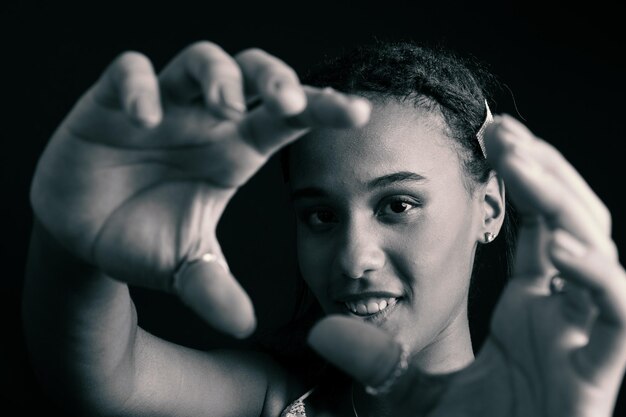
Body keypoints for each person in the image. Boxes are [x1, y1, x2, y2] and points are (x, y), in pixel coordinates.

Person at [22, 39, 626, 417]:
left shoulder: (556, 400)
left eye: (397, 205)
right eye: (321, 216)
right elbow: (108, 379)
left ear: (489, 209)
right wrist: (72, 243)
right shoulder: (274, 402)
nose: (352, 256)